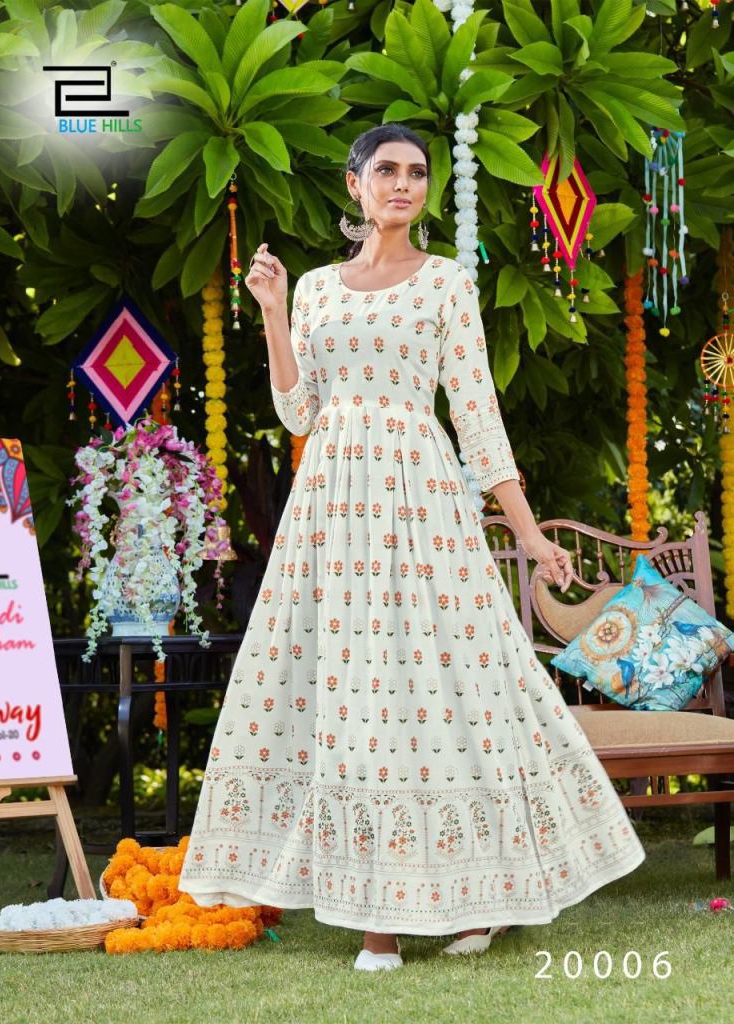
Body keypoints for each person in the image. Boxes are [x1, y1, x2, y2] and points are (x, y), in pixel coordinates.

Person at [178, 124, 646, 971]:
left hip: (420, 502)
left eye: (417, 173)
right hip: (331, 510)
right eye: (387, 170)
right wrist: (274, 312)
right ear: (355, 184)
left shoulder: (445, 283)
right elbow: (297, 410)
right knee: (349, 692)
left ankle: (480, 894)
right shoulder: (315, 288)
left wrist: (529, 533)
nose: (403, 184)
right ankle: (379, 919)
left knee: (448, 687)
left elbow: (475, 414)